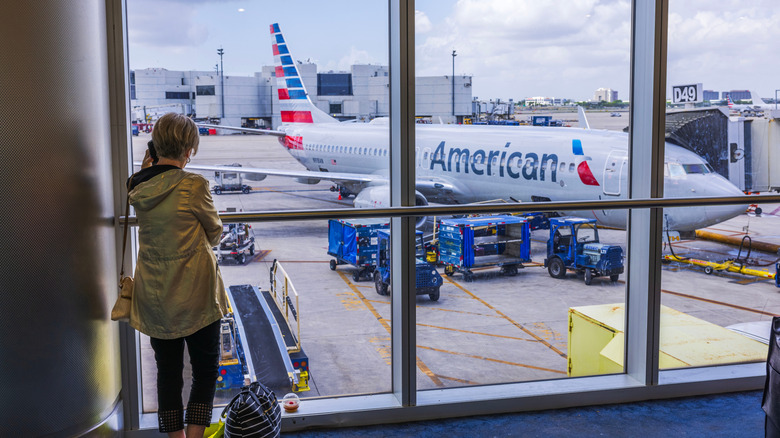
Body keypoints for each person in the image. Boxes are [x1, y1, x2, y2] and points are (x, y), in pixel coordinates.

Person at [128, 112, 228, 437]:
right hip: (197, 296)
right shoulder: (193, 185)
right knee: (205, 371)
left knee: (168, 374)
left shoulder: (139, 188)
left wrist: (148, 168)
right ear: (189, 148)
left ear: (155, 146)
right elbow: (214, 233)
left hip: (155, 296)